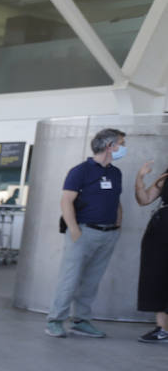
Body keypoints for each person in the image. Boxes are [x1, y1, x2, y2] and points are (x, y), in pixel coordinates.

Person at [46, 128, 126, 338]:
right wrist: (74, 231)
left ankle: (81, 320)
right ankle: (55, 320)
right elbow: (66, 201)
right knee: (69, 279)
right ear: (110, 146)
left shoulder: (115, 172)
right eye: (121, 143)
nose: (123, 148)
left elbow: (116, 201)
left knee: (92, 280)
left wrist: (118, 224)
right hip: (84, 232)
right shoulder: (80, 171)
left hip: (108, 233)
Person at [133, 161, 168, 344]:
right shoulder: (165, 175)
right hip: (160, 230)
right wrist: (140, 177)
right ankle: (163, 329)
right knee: (157, 277)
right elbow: (144, 199)